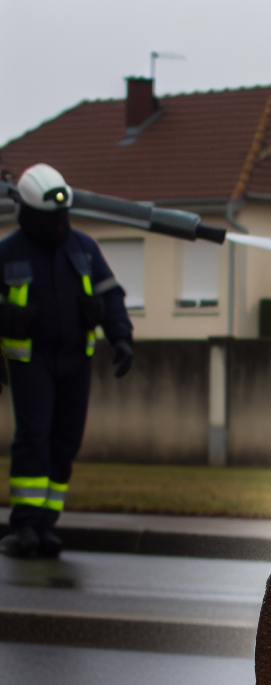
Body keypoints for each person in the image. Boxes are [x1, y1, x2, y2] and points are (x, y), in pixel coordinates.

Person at [0, 163, 134, 558]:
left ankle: (46, 524)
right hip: (31, 360)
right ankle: (24, 524)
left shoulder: (84, 248)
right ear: (27, 212)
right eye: (50, 215)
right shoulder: (7, 252)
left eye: (64, 213)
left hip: (77, 359)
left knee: (65, 442)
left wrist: (121, 338)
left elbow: (111, 296)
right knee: (34, 438)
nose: (59, 222)